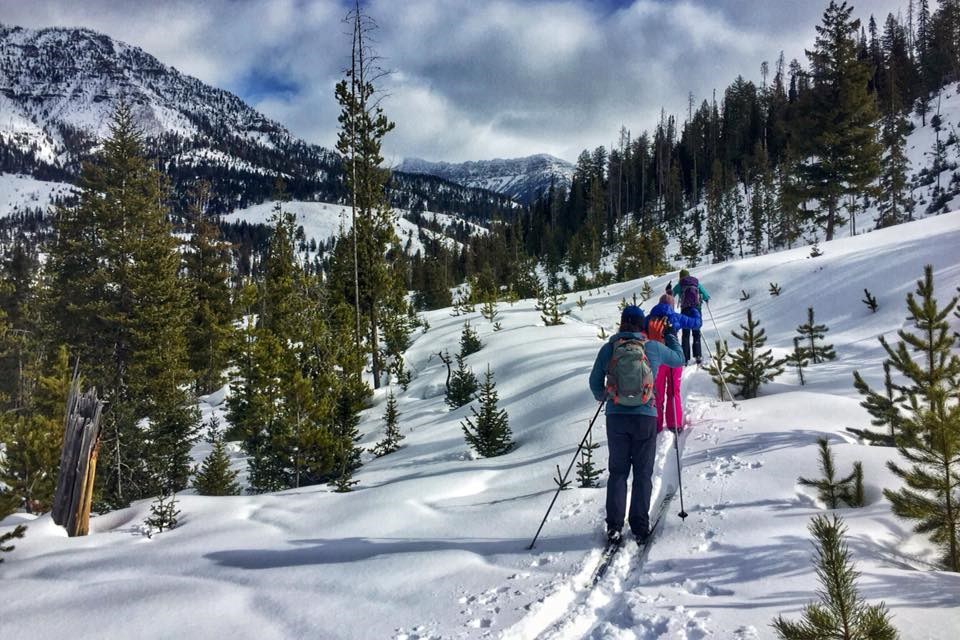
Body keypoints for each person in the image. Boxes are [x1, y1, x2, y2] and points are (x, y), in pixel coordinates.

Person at [589, 305, 685, 546]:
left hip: (616, 417)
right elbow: (679, 358)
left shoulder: (609, 348)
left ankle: (614, 526)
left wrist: (605, 395)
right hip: (645, 417)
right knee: (643, 472)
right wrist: (670, 334)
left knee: (618, 472)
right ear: (642, 325)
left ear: (622, 323)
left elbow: (594, 383)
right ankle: (640, 526)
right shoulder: (652, 347)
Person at [645, 294, 701, 432]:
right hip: (673, 357)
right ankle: (674, 424)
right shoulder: (675, 316)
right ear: (672, 305)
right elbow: (697, 323)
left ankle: (655, 425)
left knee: (656, 392)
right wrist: (693, 309)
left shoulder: (649, 318)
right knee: (673, 391)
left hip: (655, 359)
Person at [672, 269, 710, 365]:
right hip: (697, 310)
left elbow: (671, 294)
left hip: (685, 310)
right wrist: (706, 298)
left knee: (685, 334)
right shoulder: (696, 283)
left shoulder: (680, 284)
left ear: (680, 277)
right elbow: (705, 294)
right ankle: (698, 355)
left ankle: (685, 358)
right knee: (696, 333)